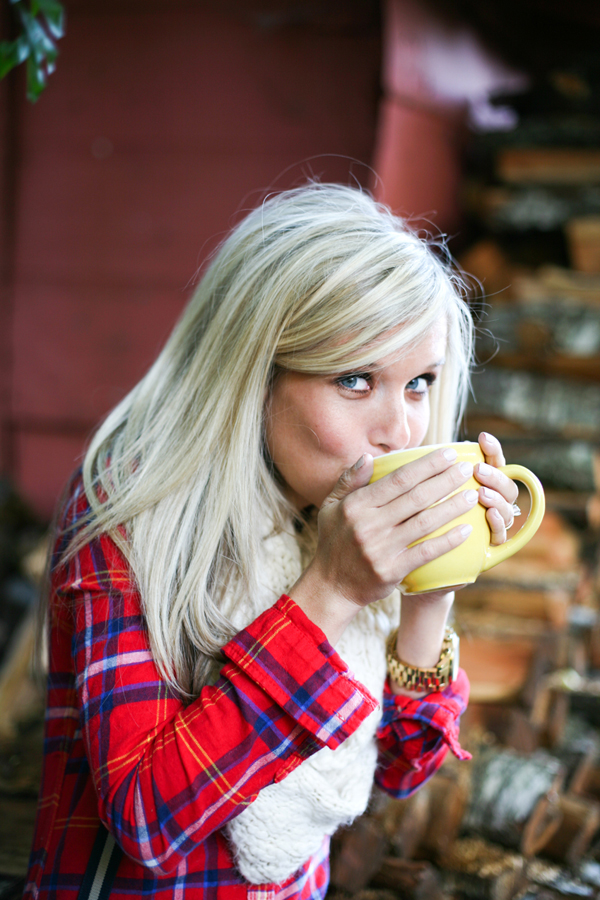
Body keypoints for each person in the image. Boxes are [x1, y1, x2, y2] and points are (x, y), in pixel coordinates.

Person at [25, 183, 519, 900]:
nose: (401, 431)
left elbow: (398, 771)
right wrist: (331, 592)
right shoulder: (132, 510)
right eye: (356, 379)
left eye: (419, 382)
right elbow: (146, 819)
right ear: (254, 374)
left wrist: (429, 593)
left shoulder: (322, 509)